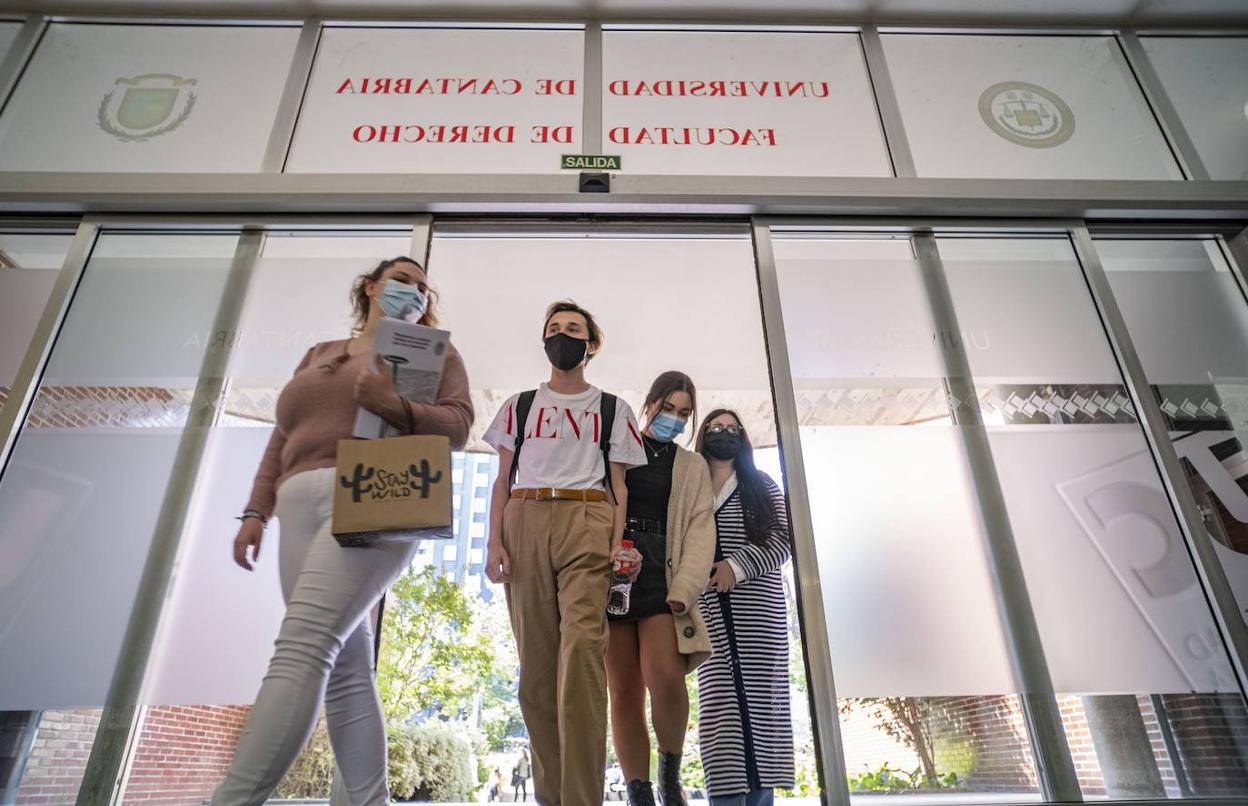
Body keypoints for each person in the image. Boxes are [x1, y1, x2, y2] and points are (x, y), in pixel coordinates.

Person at [212, 256, 474, 805]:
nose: (415, 291)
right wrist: (255, 512)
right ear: (373, 287)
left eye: (424, 287)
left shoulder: (436, 354)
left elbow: (457, 425)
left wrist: (395, 405)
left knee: (302, 647)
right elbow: (281, 438)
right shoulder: (320, 354)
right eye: (404, 280)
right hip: (297, 505)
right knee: (346, 670)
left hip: (378, 491)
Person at [483, 300, 647, 806]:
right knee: (536, 670)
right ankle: (550, 798)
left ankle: (582, 799)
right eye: (554, 329)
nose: (562, 335)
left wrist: (620, 544)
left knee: (581, 657)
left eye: (573, 329)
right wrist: (494, 542)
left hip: (587, 518)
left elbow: (620, 487)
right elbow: (502, 479)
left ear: (590, 344)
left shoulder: (613, 408)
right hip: (525, 517)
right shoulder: (520, 404)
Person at [606, 371, 716, 806]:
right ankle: (639, 791)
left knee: (665, 677)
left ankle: (671, 776)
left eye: (684, 413)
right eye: (668, 408)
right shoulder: (615, 449)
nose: (674, 418)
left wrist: (685, 588)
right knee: (624, 688)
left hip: (662, 573)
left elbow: (700, 529)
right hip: (614, 568)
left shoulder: (692, 465)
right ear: (649, 403)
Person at [695, 410, 795, 806]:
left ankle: (762, 798)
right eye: (716, 428)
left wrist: (736, 567)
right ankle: (726, 799)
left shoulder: (762, 484)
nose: (724, 434)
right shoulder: (689, 486)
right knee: (719, 709)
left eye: (733, 429)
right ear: (703, 435)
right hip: (707, 617)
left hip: (760, 617)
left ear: (744, 438)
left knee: (763, 707)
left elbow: (784, 540)